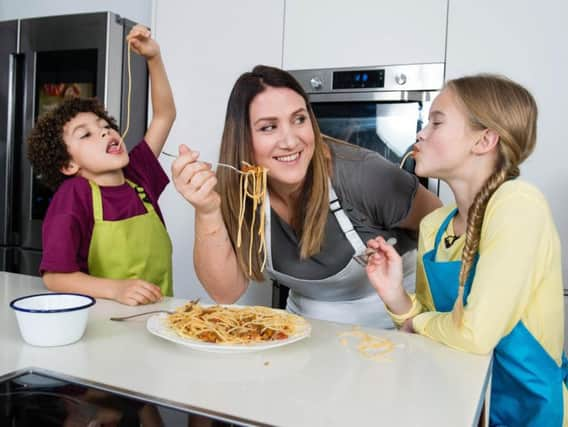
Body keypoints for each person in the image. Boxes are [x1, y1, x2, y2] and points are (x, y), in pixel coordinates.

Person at [170, 65, 441, 328]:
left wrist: (434, 323)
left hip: (393, 326)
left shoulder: (363, 174)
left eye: (299, 119)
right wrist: (206, 210)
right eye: (268, 127)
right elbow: (225, 292)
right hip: (304, 327)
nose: (290, 141)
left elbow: (442, 230)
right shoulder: (243, 187)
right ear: (243, 138)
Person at [365, 74, 567, 425]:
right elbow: (426, 326)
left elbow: (474, 334)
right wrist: (395, 294)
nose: (420, 133)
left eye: (437, 122)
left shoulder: (517, 205)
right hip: (458, 403)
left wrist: (417, 322)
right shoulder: (435, 225)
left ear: (485, 139)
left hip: (527, 408)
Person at [27, 25, 176, 306]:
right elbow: (56, 277)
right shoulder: (73, 197)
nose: (106, 132)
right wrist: (117, 289)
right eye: (86, 134)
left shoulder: (138, 176)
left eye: (105, 126)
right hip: (102, 322)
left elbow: (164, 115)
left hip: (158, 318)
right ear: (68, 164)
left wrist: (154, 58)